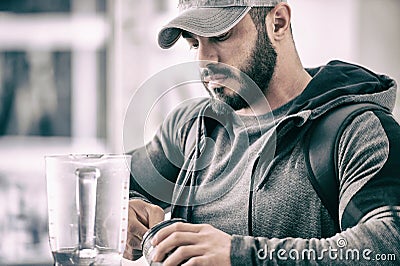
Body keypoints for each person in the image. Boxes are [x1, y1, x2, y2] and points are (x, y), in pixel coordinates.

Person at [124, 0, 400, 265]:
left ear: (278, 23)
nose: (204, 60)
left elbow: (389, 246)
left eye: (220, 36)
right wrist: (123, 210)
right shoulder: (191, 126)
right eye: (194, 43)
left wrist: (240, 255)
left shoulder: (358, 129)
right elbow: (113, 181)